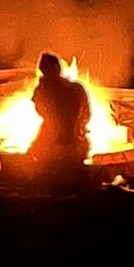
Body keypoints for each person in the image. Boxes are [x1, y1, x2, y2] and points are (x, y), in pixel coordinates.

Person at [27, 51, 91, 184]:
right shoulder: (76, 88)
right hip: (73, 143)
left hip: (60, 143)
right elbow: (87, 114)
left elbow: (40, 111)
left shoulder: (43, 90)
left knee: (34, 159)